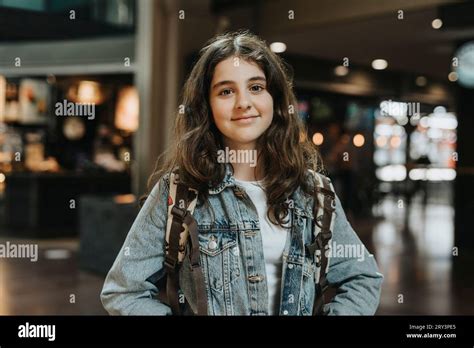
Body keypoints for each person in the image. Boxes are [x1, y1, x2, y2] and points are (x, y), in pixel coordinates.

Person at [100, 30, 383, 315]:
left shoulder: (313, 192)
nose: (243, 102)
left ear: (274, 98)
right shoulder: (179, 192)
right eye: (226, 91)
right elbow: (124, 291)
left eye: (256, 87)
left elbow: (363, 278)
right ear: (207, 106)